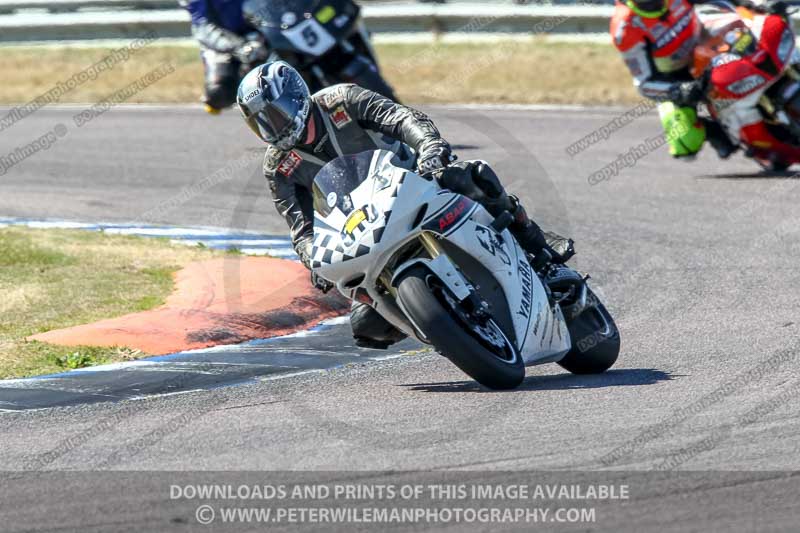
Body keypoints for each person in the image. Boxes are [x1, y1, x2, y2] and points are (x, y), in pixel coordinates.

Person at [236, 61, 574, 349]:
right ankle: (449, 330)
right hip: (362, 227)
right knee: (367, 325)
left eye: (277, 115)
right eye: (262, 123)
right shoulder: (279, 166)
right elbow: (301, 228)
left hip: (416, 180)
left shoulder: (342, 100)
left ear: (296, 97)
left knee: (473, 177)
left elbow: (402, 119)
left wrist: (429, 147)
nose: (273, 128)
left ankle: (540, 250)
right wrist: (314, 260)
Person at [610, 0, 778, 159]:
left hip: (705, 42)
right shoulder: (625, 28)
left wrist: (748, 4)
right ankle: (718, 131)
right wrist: (679, 90)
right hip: (675, 77)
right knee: (685, 142)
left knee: (757, 32)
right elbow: (644, 84)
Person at [180, 0, 269, 113]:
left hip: (264, 32)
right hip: (224, 43)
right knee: (218, 92)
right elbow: (202, 27)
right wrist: (239, 46)